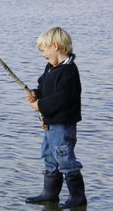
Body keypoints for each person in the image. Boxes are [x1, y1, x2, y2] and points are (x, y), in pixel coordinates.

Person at [25, 27, 87, 209]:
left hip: (63, 124)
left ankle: (78, 196)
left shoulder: (69, 71)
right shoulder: (51, 68)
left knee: (64, 157)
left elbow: (61, 98)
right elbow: (44, 87)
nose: (43, 55)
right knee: (49, 155)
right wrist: (36, 94)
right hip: (50, 123)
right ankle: (50, 194)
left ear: (56, 46)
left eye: (44, 50)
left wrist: (41, 106)